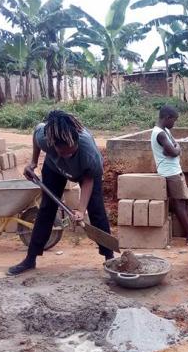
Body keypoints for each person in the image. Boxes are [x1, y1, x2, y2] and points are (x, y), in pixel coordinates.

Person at [7, 110, 113, 275]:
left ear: (76, 141)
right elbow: (36, 132)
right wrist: (33, 162)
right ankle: (30, 258)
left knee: (97, 211)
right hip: (54, 168)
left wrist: (81, 209)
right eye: (63, 152)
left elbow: (88, 180)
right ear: (53, 144)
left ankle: (110, 258)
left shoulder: (89, 152)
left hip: (85, 172)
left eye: (71, 151)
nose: (68, 155)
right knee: (46, 210)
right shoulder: (45, 138)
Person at [151, 105, 188, 240]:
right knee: (179, 204)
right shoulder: (160, 133)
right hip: (170, 172)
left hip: (175, 170)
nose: (174, 123)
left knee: (184, 202)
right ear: (167, 118)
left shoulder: (164, 130)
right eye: (174, 120)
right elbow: (173, 151)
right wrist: (176, 148)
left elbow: (173, 147)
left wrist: (175, 147)